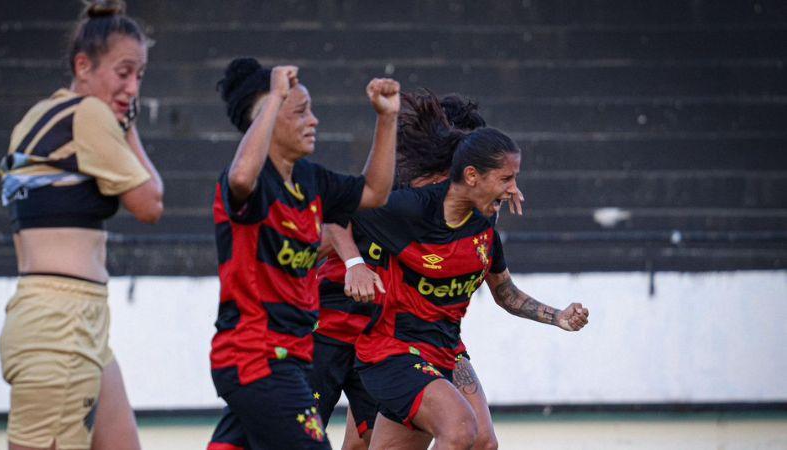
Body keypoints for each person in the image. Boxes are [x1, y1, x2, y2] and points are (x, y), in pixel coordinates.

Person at [345, 96, 589, 450]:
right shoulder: (411, 207)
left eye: (514, 177)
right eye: (506, 177)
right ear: (471, 175)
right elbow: (341, 209)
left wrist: (559, 317)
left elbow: (506, 294)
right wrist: (355, 265)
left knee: (482, 443)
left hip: (445, 352)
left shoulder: (484, 225)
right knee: (457, 430)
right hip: (393, 350)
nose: (514, 188)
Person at [206, 57, 400, 450]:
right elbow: (242, 176)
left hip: (287, 357)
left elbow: (374, 193)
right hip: (257, 357)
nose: (314, 120)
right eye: (300, 111)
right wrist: (277, 93)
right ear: (270, 116)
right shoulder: (250, 181)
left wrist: (387, 119)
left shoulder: (311, 179)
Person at [0, 1, 163, 449]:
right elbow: (150, 202)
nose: (132, 87)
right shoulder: (88, 115)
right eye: (123, 72)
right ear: (83, 66)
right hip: (61, 324)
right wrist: (128, 129)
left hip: (62, 319)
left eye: (140, 76)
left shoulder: (34, 118)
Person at [312, 92, 519, 450]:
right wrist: (351, 262)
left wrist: (500, 192)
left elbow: (492, 281)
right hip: (334, 323)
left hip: (387, 336)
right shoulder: (393, 191)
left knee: (367, 440)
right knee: (301, 434)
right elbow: (333, 220)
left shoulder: (460, 209)